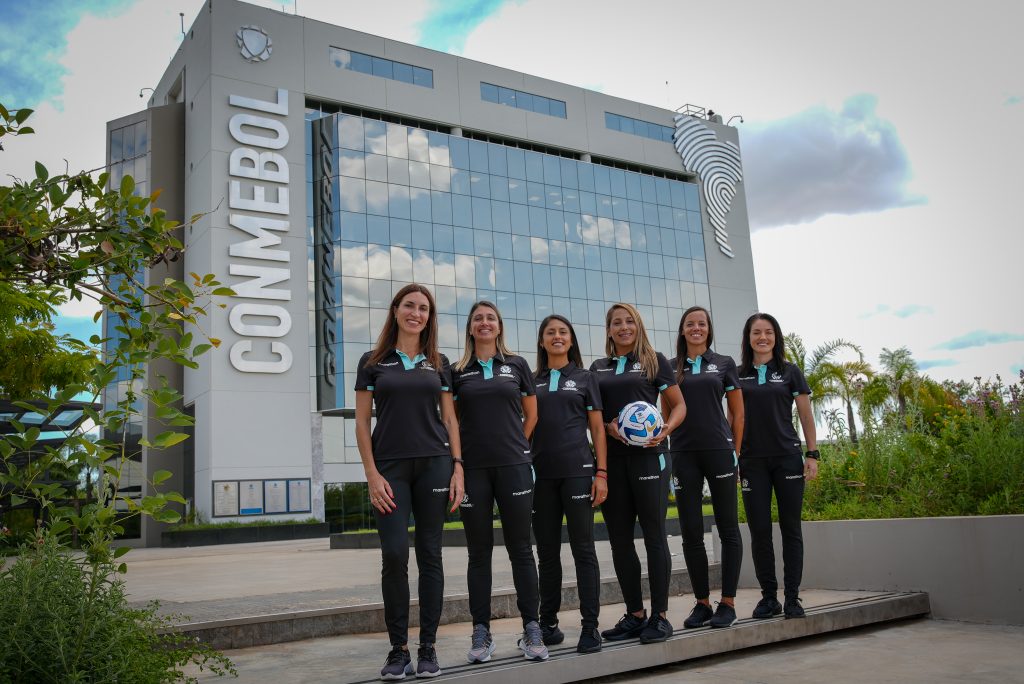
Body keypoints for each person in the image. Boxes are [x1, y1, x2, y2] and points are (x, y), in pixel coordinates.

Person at [354, 283, 464, 680]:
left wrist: (458, 466)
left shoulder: (439, 362)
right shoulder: (372, 361)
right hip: (390, 470)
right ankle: (398, 650)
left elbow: (450, 419)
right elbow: (362, 421)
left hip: (435, 464)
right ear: (396, 310)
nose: (416, 313)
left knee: (430, 554)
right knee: (396, 554)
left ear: (429, 317)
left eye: (424, 308)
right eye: (410, 306)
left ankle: (428, 647)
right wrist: (371, 474)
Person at [452, 301, 547, 662]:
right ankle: (481, 632)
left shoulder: (517, 365)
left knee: (521, 549)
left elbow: (532, 413)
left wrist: (517, 445)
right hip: (473, 471)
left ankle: (532, 628)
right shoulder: (457, 370)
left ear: (499, 325)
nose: (485, 322)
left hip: (515, 468)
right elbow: (452, 418)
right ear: (471, 328)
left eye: (490, 317)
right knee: (479, 554)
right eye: (478, 318)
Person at [590, 303, 686, 644]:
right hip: (613, 461)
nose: (623, 327)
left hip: (650, 459)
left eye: (629, 321)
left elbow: (679, 405)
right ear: (609, 330)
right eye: (616, 322)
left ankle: (660, 616)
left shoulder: (654, 360)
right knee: (619, 541)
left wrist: (665, 429)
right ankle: (635, 614)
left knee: (654, 535)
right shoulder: (597, 368)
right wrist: (610, 428)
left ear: (638, 325)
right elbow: (594, 418)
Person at [531, 314, 608, 654]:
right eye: (551, 332)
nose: (557, 336)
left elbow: (598, 429)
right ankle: (548, 625)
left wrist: (601, 473)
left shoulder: (586, 378)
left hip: (578, 472)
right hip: (540, 477)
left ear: (571, 340)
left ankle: (590, 627)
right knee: (546, 554)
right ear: (542, 341)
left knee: (583, 550)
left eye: (563, 332)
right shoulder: (530, 380)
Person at [736, 312, 819, 620]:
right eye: (756, 332)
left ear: (776, 336)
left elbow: (806, 415)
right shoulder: (737, 373)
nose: (763, 337)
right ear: (748, 337)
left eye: (768, 332)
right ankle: (769, 598)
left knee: (790, 529)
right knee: (759, 532)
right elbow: (733, 418)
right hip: (751, 462)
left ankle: (793, 598)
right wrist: (734, 459)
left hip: (787, 458)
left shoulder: (790, 372)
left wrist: (812, 453)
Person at [668, 306, 744, 630]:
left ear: (708, 330)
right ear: (683, 331)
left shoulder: (724, 364)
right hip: (684, 455)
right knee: (690, 532)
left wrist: (735, 453)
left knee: (728, 527)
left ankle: (727, 603)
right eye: (690, 324)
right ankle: (701, 603)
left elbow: (738, 414)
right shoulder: (670, 369)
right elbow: (667, 414)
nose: (696, 328)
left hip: (719, 453)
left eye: (701, 324)